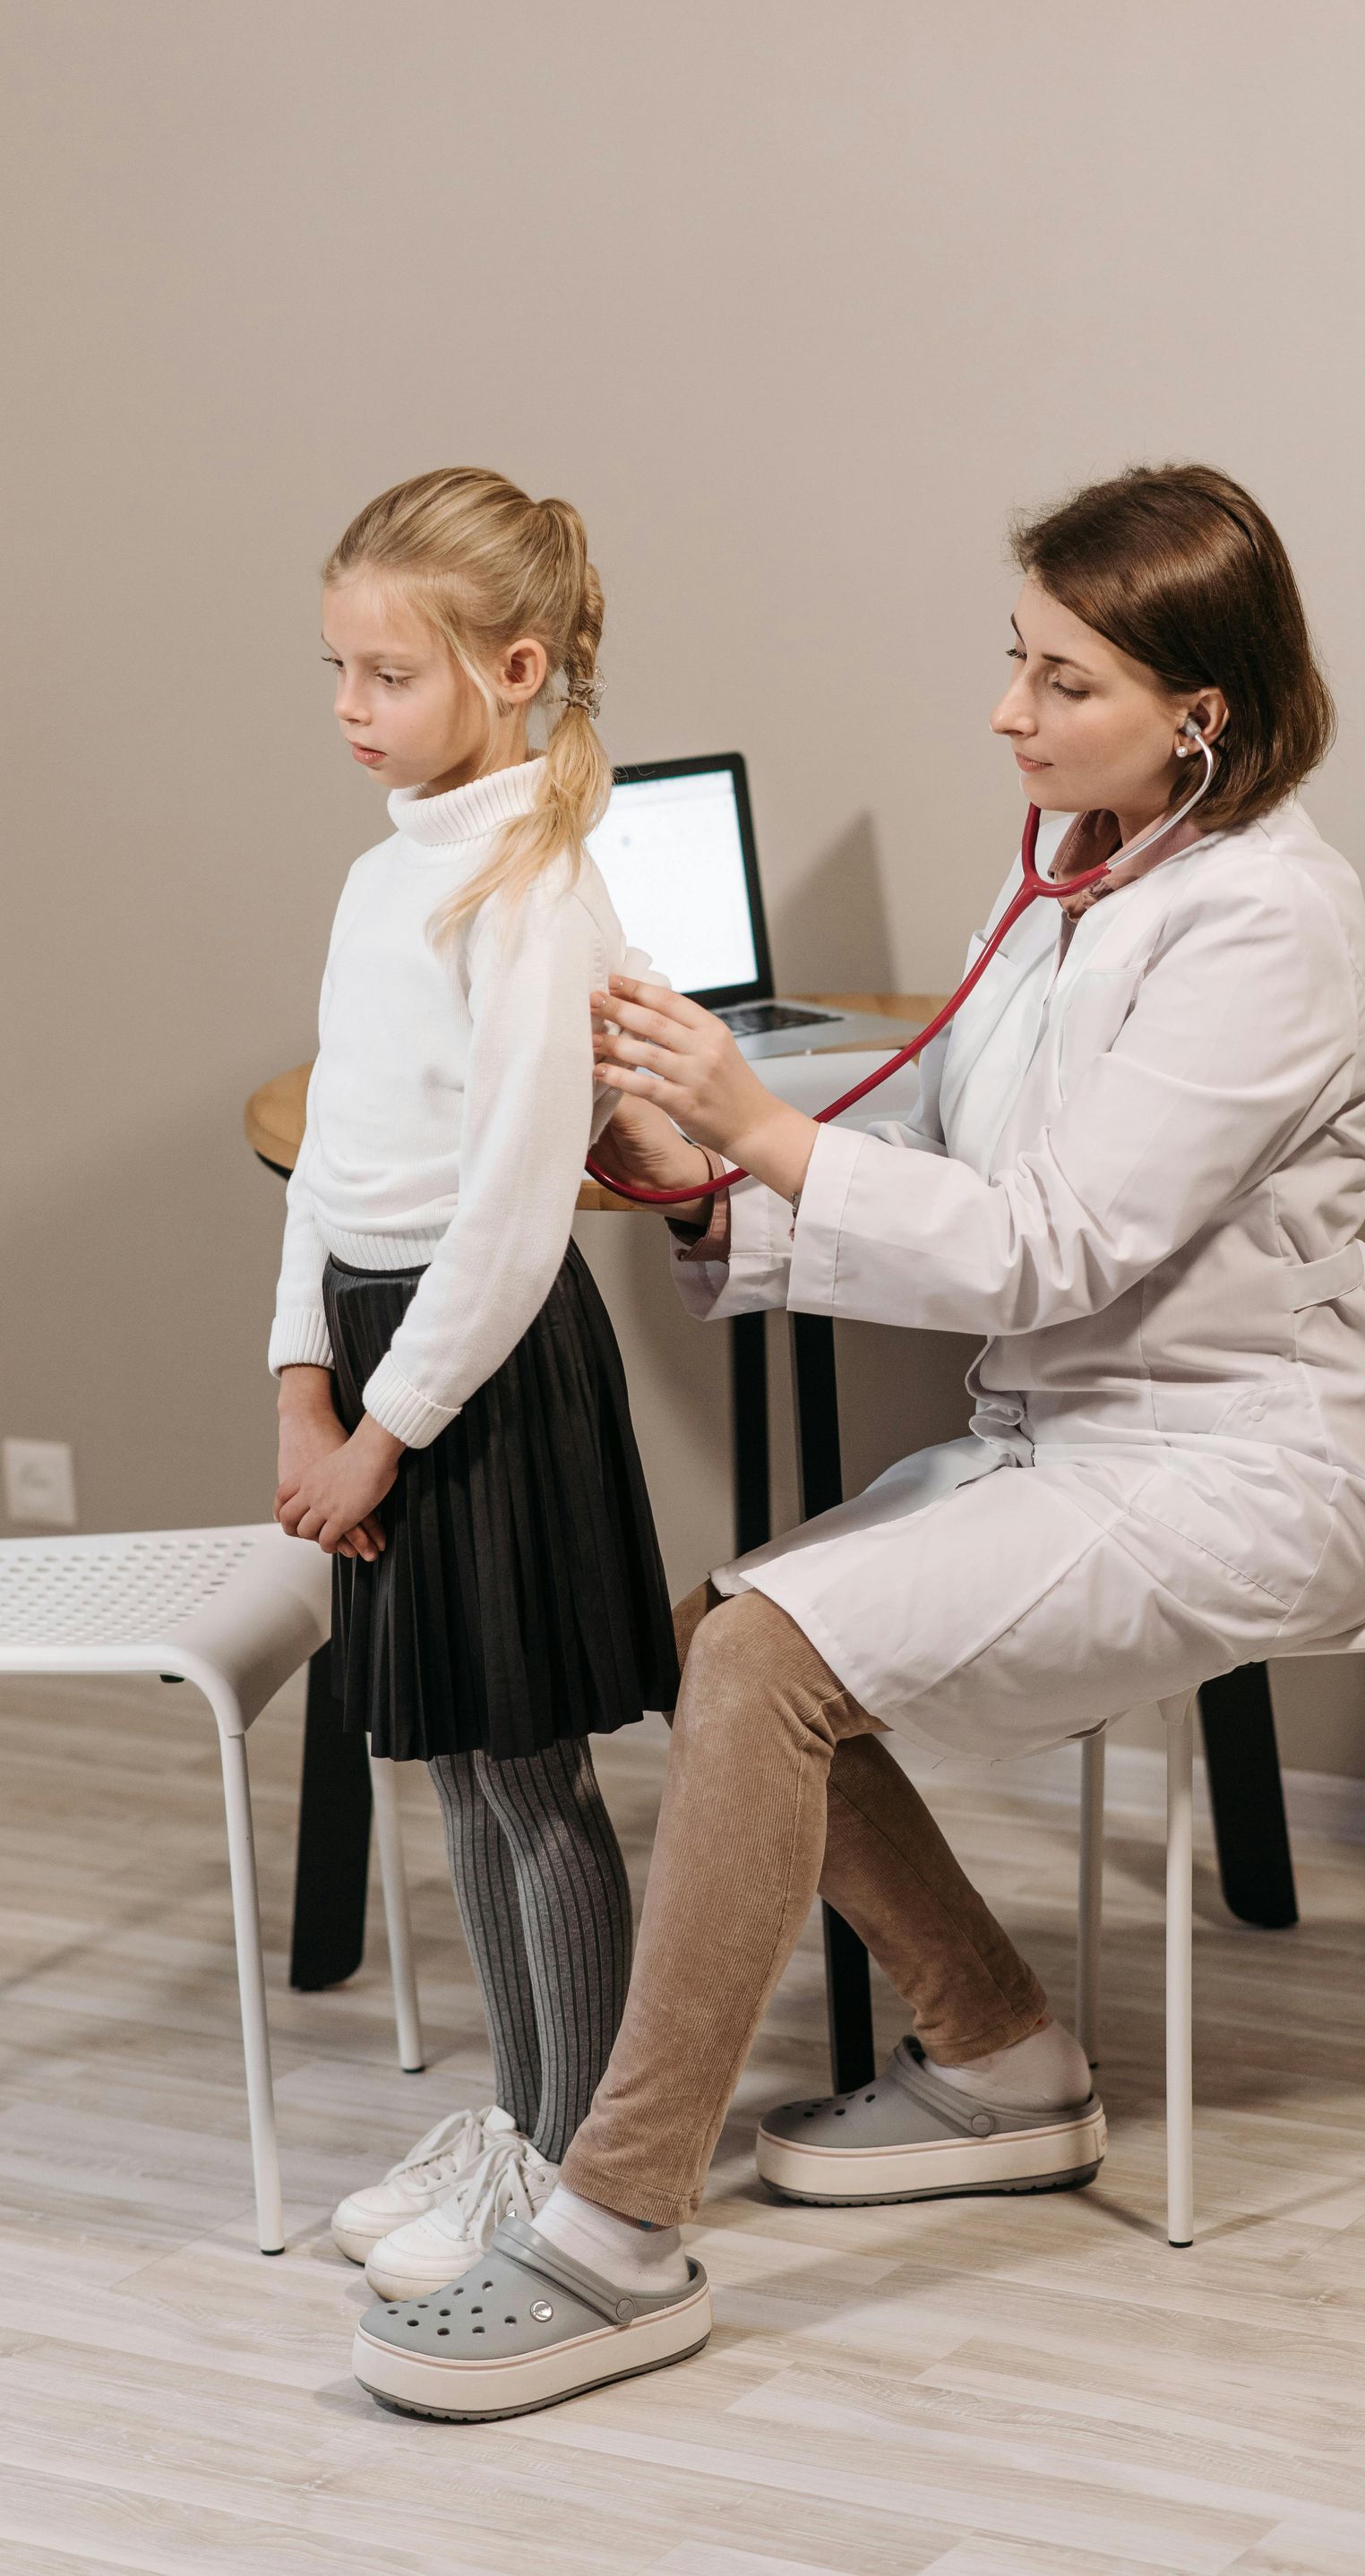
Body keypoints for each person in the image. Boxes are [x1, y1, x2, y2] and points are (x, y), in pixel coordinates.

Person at [351, 461, 1365, 2423]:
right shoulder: (1067, 860)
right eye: (1010, 662)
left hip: (1242, 1461)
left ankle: (615, 2236)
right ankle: (1007, 2060)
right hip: (1082, 1428)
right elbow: (937, 1121)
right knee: (727, 1640)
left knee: (765, 1654)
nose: (1010, 715)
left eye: (1062, 680)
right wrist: (701, 1182)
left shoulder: (1272, 921)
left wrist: (760, 1133)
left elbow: (1050, 1240)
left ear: (1201, 710)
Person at [270, 468, 677, 2306]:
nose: (353, 707)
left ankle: (571, 2165)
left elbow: (515, 1221)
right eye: (338, 669)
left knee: (533, 1786)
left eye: (390, 674)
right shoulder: (384, 872)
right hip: (378, 1370)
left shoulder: (534, 891)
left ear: (514, 670)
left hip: (477, 1378)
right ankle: (514, 2124)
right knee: (453, 1768)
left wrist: (380, 1429)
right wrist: (301, 1379)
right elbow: (339, 1163)